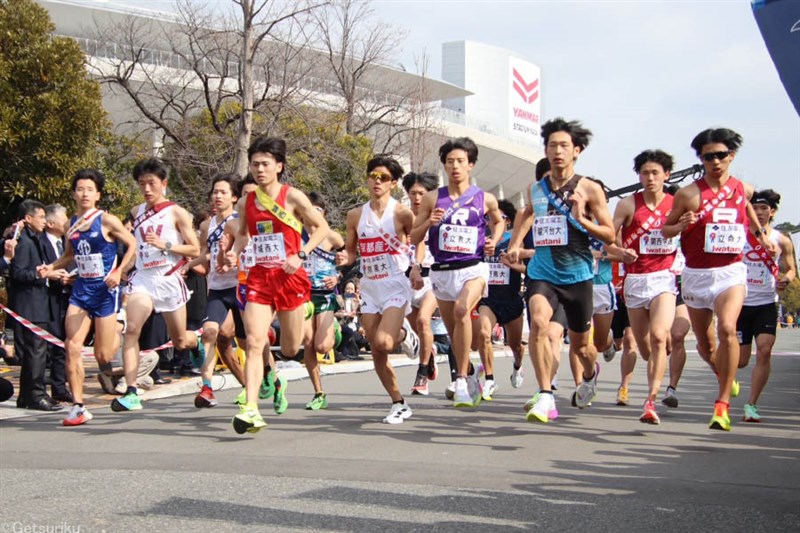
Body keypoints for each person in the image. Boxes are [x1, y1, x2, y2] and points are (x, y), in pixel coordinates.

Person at [663, 127, 775, 431]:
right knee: (706, 345)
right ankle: (723, 373)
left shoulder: (743, 188)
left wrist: (761, 235)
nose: (715, 161)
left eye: (721, 155)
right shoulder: (688, 194)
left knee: (727, 328)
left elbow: (747, 209)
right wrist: (682, 224)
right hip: (697, 275)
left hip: (731, 272)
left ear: (731, 156)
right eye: (708, 156)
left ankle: (722, 404)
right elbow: (665, 230)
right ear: (700, 158)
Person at [507, 118, 615, 423]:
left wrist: (582, 217)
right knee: (539, 323)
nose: (557, 151)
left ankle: (591, 374)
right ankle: (545, 395)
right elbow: (527, 213)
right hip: (542, 271)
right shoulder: (535, 188)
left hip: (579, 276)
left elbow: (609, 235)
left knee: (583, 348)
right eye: (552, 145)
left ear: (577, 151)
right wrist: (515, 242)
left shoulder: (589, 189)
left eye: (564, 145)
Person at [226, 137, 329, 434]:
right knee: (255, 342)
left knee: (289, 347)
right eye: (255, 164)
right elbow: (245, 235)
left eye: (265, 164)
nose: (259, 169)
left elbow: (321, 228)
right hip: (259, 277)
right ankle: (252, 409)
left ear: (278, 166)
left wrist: (301, 255)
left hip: (290, 277)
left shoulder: (292, 196)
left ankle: (304, 310)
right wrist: (234, 252)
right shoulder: (247, 201)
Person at [410, 137, 505, 409]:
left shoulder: (484, 198)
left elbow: (498, 222)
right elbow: (414, 236)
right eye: (450, 161)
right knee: (454, 333)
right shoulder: (432, 198)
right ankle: (471, 371)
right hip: (442, 271)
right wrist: (429, 221)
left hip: (472, 268)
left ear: (471, 165)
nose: (455, 166)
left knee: (464, 310)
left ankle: (460, 380)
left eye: (460, 161)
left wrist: (494, 240)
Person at [37, 169, 136, 425]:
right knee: (72, 345)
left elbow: (132, 247)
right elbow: (69, 256)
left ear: (98, 195)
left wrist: (118, 271)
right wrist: (51, 267)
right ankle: (78, 406)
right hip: (81, 291)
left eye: (90, 189)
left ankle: (119, 324)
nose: (84, 194)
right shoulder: (71, 223)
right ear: (73, 193)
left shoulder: (106, 220)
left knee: (104, 355)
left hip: (106, 292)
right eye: (80, 189)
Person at [112, 157, 202, 412]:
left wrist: (166, 245)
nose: (146, 189)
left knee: (180, 341)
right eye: (142, 184)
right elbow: (135, 247)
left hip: (168, 279)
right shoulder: (136, 212)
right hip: (143, 280)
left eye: (151, 183)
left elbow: (195, 248)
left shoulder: (177, 212)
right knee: (131, 330)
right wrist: (121, 270)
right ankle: (131, 391)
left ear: (164, 183)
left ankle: (200, 341)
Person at [338, 155, 416, 423]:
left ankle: (405, 334)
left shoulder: (403, 214)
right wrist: (344, 259)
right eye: (373, 176)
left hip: (395, 282)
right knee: (377, 349)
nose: (376, 182)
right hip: (369, 286)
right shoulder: (355, 215)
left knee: (385, 340)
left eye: (383, 178)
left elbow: (419, 243)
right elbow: (350, 251)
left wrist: (417, 267)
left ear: (393, 183)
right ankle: (398, 402)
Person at [612, 150, 678, 424]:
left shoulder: (678, 203)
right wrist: (619, 252)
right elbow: (608, 241)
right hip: (635, 281)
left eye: (655, 173)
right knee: (646, 347)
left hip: (664, 277)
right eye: (644, 173)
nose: (650, 178)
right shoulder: (627, 205)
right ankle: (659, 363)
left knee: (659, 336)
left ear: (666, 175)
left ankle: (650, 400)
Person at [182, 173, 245, 409]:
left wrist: (230, 258)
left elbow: (246, 252)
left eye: (223, 192)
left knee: (246, 342)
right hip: (217, 289)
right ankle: (207, 388)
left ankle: (267, 377)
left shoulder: (240, 222)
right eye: (214, 192)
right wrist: (186, 265)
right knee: (210, 332)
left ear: (234, 197)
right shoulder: (206, 225)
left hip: (240, 287)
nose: (217, 196)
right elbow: (203, 260)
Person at [736, 189, 796, 422]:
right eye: (755, 208)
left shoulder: (781, 239)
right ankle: (727, 376)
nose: (759, 213)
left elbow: (790, 268)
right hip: (739, 302)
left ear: (772, 212)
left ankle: (751, 404)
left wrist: (787, 279)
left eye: (764, 209)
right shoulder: (738, 234)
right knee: (740, 361)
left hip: (766, 302)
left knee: (765, 349)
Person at [9, 200, 65, 411]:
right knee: (35, 351)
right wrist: (41, 274)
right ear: (28, 219)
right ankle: (34, 395)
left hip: (39, 302)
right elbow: (18, 273)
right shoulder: (23, 241)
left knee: (39, 351)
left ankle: (30, 394)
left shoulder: (36, 240)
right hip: (29, 304)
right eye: (41, 217)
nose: (45, 221)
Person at [472, 199, 526, 401]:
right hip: (489, 300)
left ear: (508, 222)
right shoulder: (481, 240)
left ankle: (518, 366)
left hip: (512, 301)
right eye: (488, 218)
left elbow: (529, 268)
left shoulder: (516, 242)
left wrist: (512, 265)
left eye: (499, 218)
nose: (491, 221)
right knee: (485, 334)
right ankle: (489, 379)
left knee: (516, 346)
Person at [301, 191, 344, 410]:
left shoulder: (332, 237)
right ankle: (319, 392)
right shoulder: (295, 235)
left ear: (323, 213)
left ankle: (335, 329)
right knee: (308, 343)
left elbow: (349, 260)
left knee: (322, 345)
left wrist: (337, 276)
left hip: (326, 295)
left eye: (317, 211)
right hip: (303, 296)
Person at [402, 171, 442, 396]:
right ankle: (430, 355)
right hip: (406, 280)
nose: (417, 198)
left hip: (431, 278)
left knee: (424, 320)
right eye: (413, 193)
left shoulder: (437, 218)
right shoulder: (401, 218)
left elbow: (420, 246)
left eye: (422, 193)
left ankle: (422, 374)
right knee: (418, 329)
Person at [39, 203, 72, 403]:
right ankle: (40, 390)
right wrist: (51, 274)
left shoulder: (68, 243)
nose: (67, 221)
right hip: (46, 299)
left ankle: (59, 387)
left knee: (62, 345)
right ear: (51, 223)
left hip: (65, 298)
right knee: (45, 347)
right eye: (64, 217)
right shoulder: (40, 242)